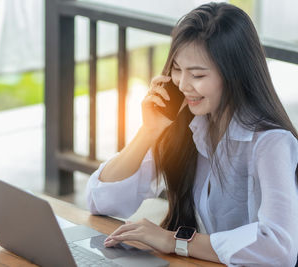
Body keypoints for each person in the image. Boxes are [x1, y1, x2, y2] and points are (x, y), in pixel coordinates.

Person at [86, 2, 298, 266]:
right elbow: (100, 202)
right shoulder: (189, 125)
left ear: (234, 75)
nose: (183, 85)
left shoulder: (270, 142)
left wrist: (175, 241)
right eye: (177, 69)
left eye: (197, 74)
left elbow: (279, 247)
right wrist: (148, 132)